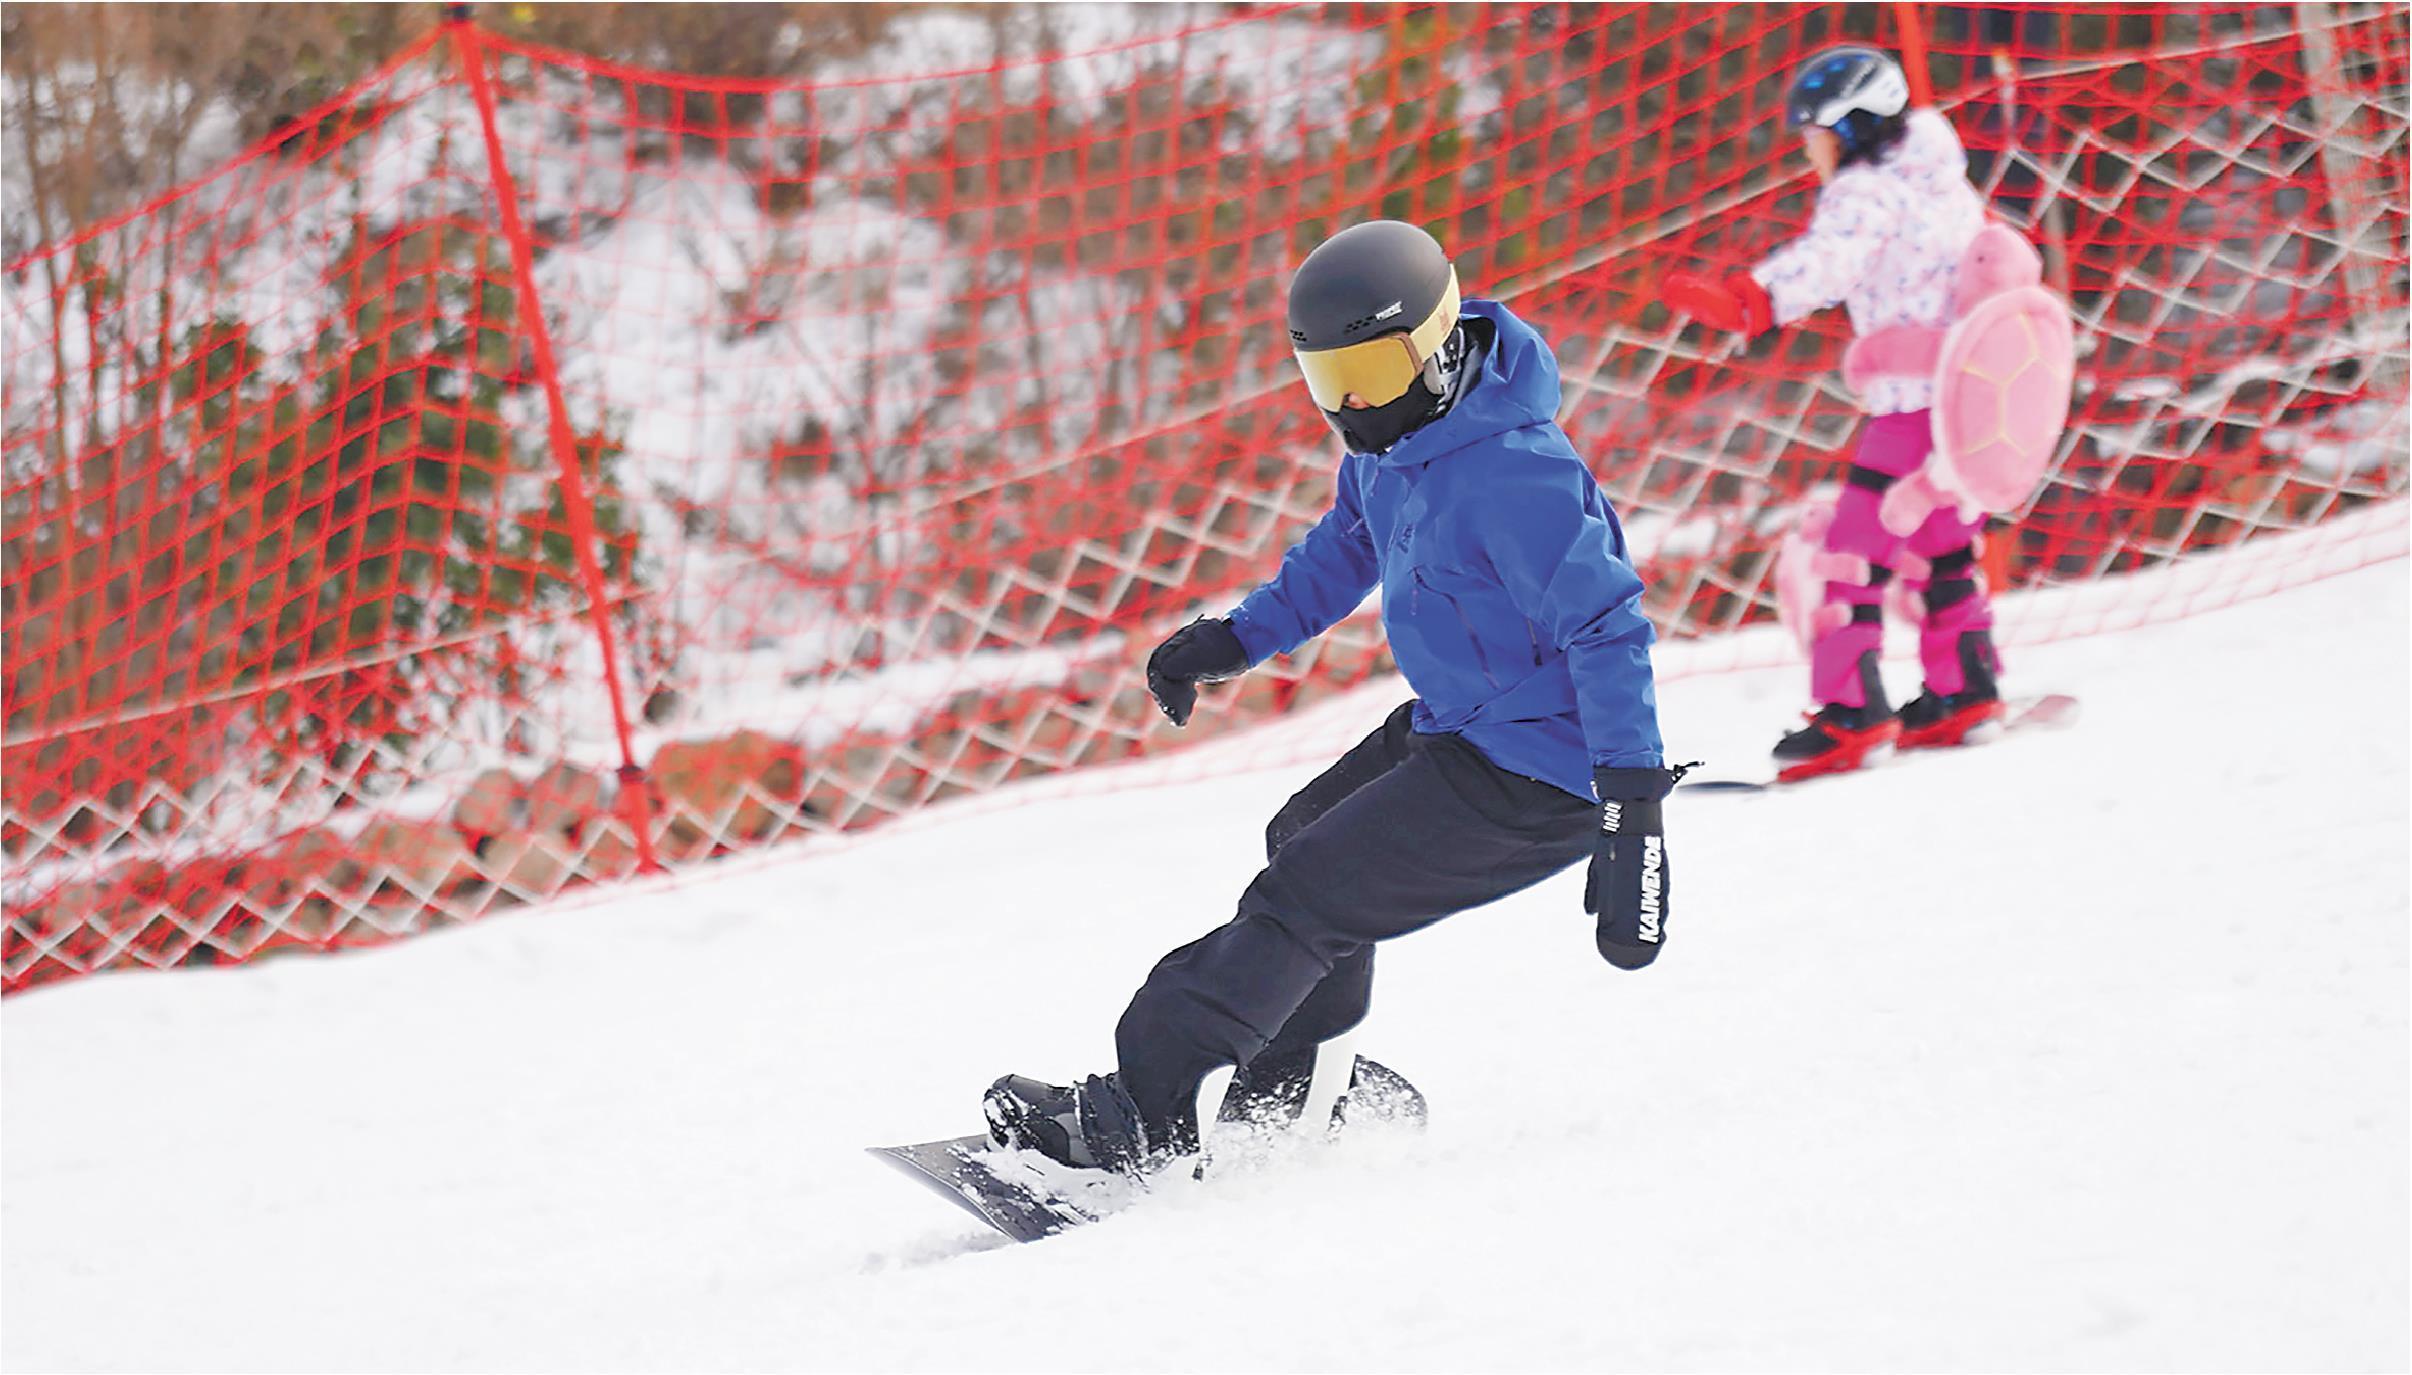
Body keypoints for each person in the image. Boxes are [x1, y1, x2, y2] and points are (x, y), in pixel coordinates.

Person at [984, 219, 1682, 1175]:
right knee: (1302, 832)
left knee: (1302, 900)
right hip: (1465, 730)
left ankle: (1136, 1118)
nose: (1353, 404)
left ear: (1437, 346)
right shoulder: (1399, 444)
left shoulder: (1518, 475)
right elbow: (1346, 546)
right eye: (1329, 381)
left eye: (1374, 374)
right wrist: (1232, 640)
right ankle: (1302, 1090)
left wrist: (1630, 807)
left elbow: (1609, 631)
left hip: (1543, 771)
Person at [1662, 45, 2001, 779]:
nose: (1809, 152)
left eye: (1816, 135)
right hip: (1963, 397)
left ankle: (1852, 709)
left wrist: (1754, 297)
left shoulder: (1865, 192)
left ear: (1853, 129)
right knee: (1944, 542)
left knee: (1851, 550)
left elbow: (1831, 258)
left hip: (1909, 405)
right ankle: (1963, 683)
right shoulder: (1941, 180)